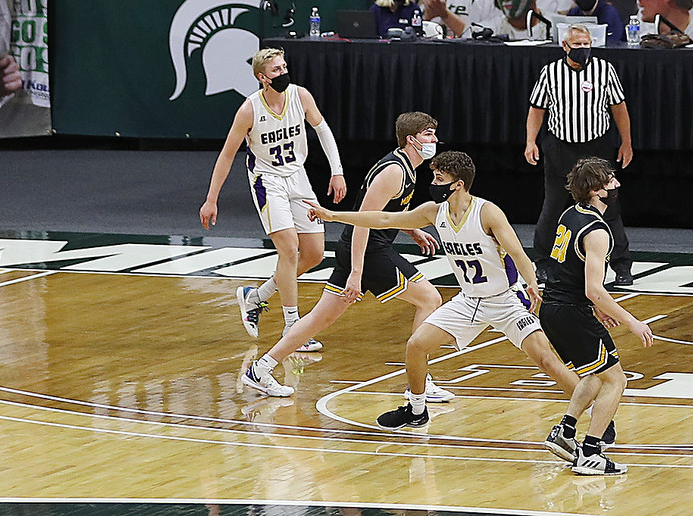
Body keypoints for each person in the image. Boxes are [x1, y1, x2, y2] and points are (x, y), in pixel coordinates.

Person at [308, 150, 581, 429]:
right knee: (416, 345)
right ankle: (416, 410)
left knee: (547, 360)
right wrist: (332, 215)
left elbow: (517, 253)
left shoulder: (487, 213)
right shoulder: (433, 211)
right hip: (468, 301)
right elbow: (383, 219)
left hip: (504, 300)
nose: (433, 183)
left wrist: (532, 283)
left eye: (439, 178)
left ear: (458, 185)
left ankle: (596, 418)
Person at [239, 113, 447, 398]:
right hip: (367, 252)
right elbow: (363, 221)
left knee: (319, 319)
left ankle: (260, 369)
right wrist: (357, 273)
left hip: (361, 249)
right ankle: (419, 381)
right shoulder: (394, 171)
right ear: (411, 139)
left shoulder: (407, 168)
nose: (434, 140)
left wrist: (411, 231)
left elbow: (383, 213)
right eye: (428, 134)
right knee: (430, 299)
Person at [199, 47, 347, 348]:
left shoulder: (301, 96)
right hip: (267, 181)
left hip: (298, 177)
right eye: (276, 71)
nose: (283, 73)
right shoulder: (249, 110)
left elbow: (323, 130)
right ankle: (293, 328)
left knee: (314, 254)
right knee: (290, 251)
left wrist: (337, 171)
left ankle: (256, 297)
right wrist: (211, 198)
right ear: (262, 77)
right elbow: (227, 155)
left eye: (284, 67)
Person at [538, 158, 653, 474]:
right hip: (570, 310)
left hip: (553, 308)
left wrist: (598, 309)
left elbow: (569, 271)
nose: (616, 184)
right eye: (610, 180)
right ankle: (591, 452)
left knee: (595, 374)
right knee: (616, 379)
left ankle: (565, 432)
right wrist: (632, 321)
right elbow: (594, 289)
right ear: (594, 190)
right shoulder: (598, 230)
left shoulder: (571, 214)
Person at [525, 25, 633, 284]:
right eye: (578, 46)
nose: (583, 50)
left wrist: (626, 142)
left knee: (609, 205)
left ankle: (622, 265)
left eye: (587, 45)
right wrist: (531, 141)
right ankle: (542, 262)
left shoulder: (604, 69)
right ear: (565, 46)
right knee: (553, 206)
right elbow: (536, 109)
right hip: (560, 146)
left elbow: (618, 107)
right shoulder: (550, 73)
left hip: (596, 146)